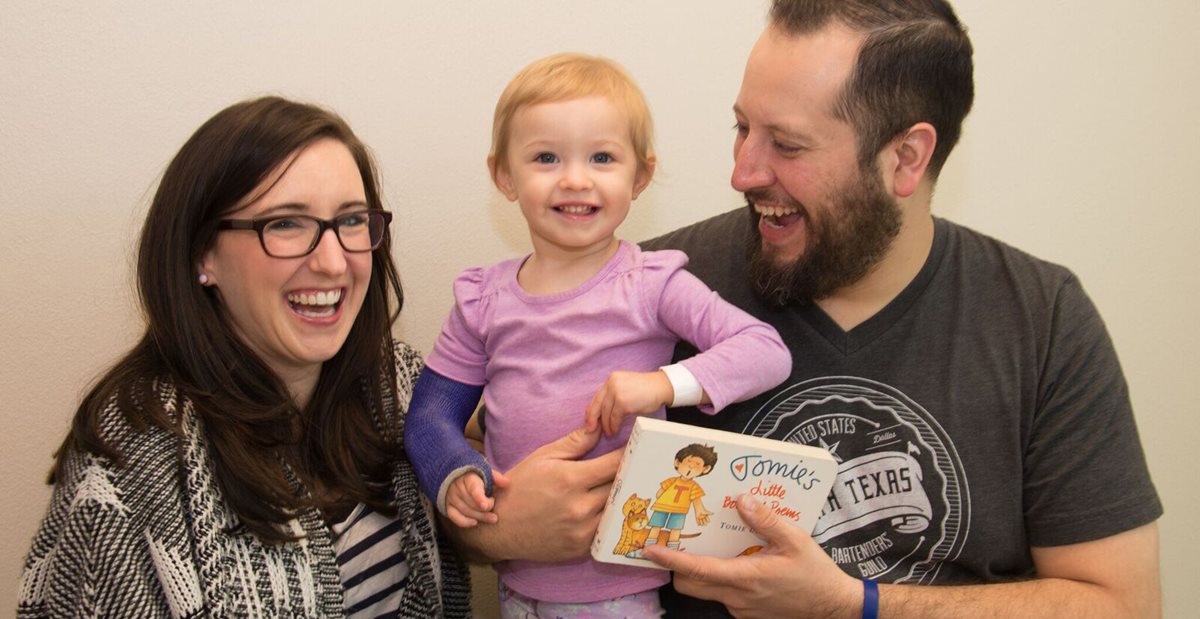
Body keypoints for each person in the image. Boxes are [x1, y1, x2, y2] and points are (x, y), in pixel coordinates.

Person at [456, 1, 1164, 617]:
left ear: (906, 158)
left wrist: (854, 605)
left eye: (787, 144)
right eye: (742, 128)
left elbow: (1118, 603)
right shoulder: (652, 286)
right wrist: (493, 531)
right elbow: (486, 476)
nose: (742, 172)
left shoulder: (1041, 319)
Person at [18, 97, 470, 618]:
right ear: (202, 254)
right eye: (284, 225)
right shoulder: (131, 459)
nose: (332, 262)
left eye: (350, 220)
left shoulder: (401, 387)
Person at [403, 53, 790, 616]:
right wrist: (454, 472)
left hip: (618, 593)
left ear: (640, 176)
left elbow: (766, 352)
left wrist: (663, 384)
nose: (575, 178)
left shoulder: (653, 283)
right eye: (546, 157)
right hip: (515, 584)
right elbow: (430, 415)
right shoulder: (481, 299)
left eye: (602, 157)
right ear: (503, 176)